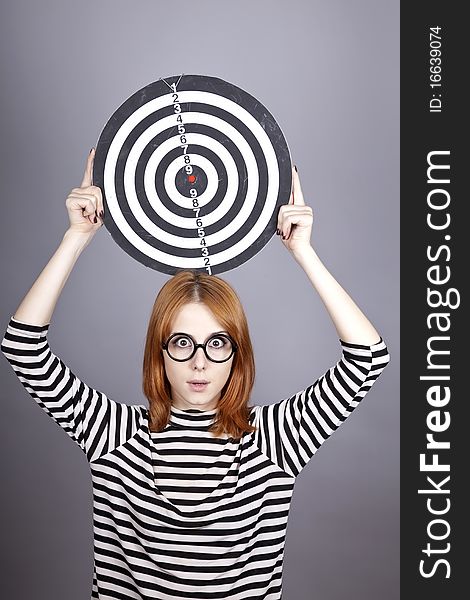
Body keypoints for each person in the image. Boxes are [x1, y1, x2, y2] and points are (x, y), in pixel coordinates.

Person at [1, 148, 390, 600]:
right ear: (159, 352)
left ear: (236, 353)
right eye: (182, 343)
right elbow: (22, 347)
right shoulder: (111, 432)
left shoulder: (275, 438)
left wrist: (303, 252)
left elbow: (368, 356)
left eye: (217, 343)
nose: (200, 362)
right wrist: (76, 237)